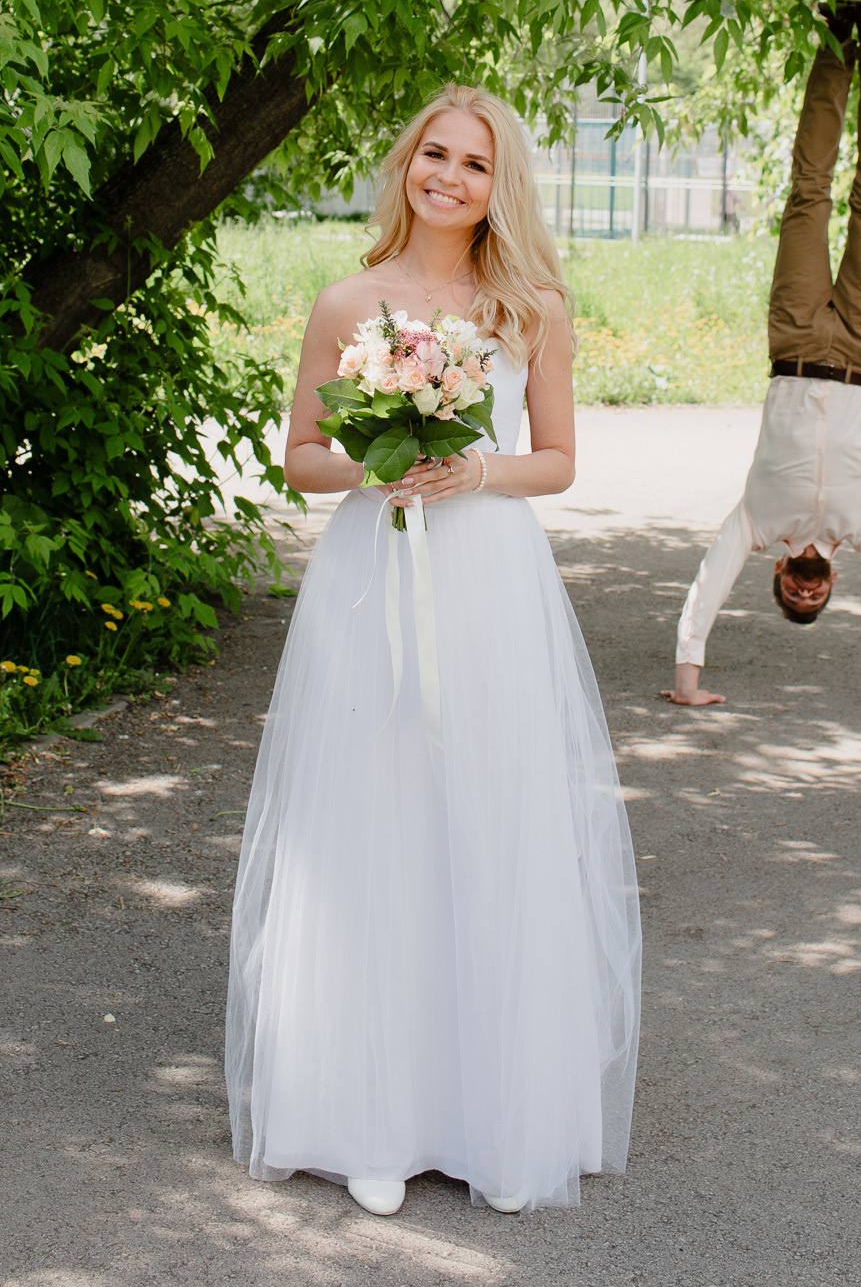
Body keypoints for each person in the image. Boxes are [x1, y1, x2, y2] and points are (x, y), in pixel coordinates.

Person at [226, 84, 641, 1218]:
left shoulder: (529, 305)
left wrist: (474, 470)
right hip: (373, 579)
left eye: (472, 163)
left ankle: (488, 1115)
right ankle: (372, 1115)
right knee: (375, 823)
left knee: (485, 822)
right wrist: (374, 461)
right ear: (406, 163)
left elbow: (553, 459)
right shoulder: (346, 299)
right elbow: (300, 457)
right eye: (432, 154)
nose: (446, 176)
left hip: (488, 584)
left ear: (497, 185)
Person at [665, 2, 861, 711]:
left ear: (778, 574)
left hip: (795, 342)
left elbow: (707, 583)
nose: (806, 588)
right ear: (832, 583)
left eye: (794, 592)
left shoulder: (751, 523)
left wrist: (687, 679)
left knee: (806, 197)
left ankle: (834, 43)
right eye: (814, 595)